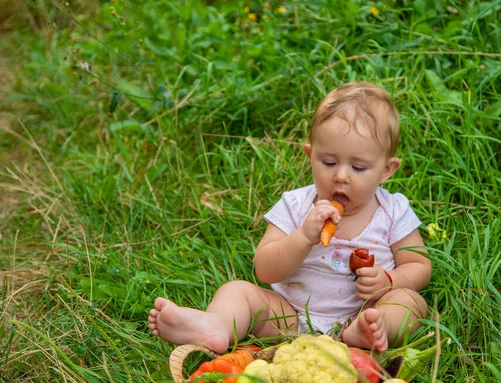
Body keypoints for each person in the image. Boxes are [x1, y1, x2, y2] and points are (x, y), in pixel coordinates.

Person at [148, 82, 431, 353]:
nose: (341, 175)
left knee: (410, 302)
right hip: (289, 316)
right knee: (238, 292)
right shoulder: (295, 205)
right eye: (328, 162)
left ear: (386, 170)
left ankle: (366, 332)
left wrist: (390, 281)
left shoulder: (393, 210)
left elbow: (419, 265)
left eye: (358, 167)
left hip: (361, 312)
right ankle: (215, 326)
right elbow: (265, 270)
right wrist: (303, 237)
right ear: (310, 155)